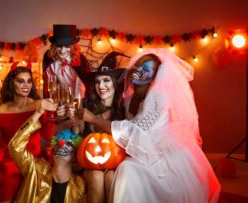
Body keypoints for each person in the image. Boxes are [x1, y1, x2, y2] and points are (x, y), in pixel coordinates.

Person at [80, 48, 221, 203]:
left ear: (155, 77)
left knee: (127, 169)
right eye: (138, 66)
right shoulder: (129, 97)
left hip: (161, 155)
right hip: (141, 149)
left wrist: (93, 119)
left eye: (146, 69)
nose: (139, 71)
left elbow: (135, 130)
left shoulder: (157, 98)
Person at [0, 62, 54, 203]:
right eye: (20, 81)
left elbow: (47, 136)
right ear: (12, 84)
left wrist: (51, 115)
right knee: (11, 179)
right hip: (10, 160)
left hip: (32, 158)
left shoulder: (38, 105)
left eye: (29, 81)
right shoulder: (0, 110)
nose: (26, 85)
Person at [8, 98, 86, 203]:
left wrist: (77, 123)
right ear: (51, 151)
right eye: (60, 142)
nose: (63, 144)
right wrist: (39, 112)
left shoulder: (80, 187)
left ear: (76, 158)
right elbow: (15, 145)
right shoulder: (36, 170)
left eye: (69, 143)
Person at [74, 57, 125, 203]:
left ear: (115, 84)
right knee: (96, 176)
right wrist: (75, 123)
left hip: (115, 163)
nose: (101, 85)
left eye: (106, 80)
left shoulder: (123, 110)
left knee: (110, 178)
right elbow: (76, 135)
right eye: (97, 82)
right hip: (90, 163)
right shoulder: (86, 106)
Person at [42, 24, 90, 100]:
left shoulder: (80, 59)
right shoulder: (49, 58)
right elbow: (49, 82)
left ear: (72, 46)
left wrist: (76, 103)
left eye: (67, 46)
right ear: (54, 46)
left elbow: (81, 85)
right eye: (59, 46)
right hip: (59, 98)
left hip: (78, 98)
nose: (62, 50)